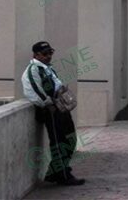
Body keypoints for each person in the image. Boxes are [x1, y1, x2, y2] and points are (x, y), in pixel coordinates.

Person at [21, 41, 85, 186]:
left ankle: (54, 173)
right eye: (45, 53)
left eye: (50, 52)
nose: (48, 56)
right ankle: (63, 175)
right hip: (51, 111)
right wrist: (48, 104)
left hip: (61, 108)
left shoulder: (47, 68)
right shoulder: (33, 70)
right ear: (36, 54)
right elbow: (34, 91)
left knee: (70, 140)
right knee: (59, 142)